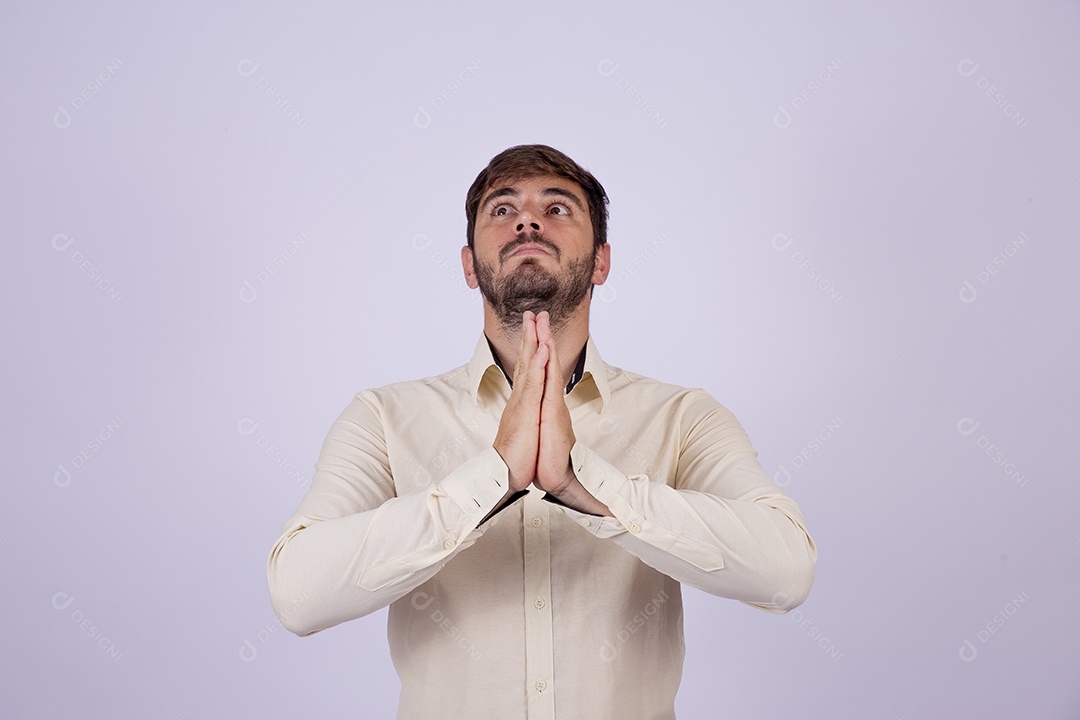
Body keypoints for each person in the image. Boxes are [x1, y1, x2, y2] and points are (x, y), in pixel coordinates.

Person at [267, 144, 816, 719]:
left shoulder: (683, 417)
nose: (528, 220)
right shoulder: (383, 417)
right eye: (502, 210)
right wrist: (493, 476)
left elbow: (785, 570)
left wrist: (584, 487)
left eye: (557, 208)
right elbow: (298, 594)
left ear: (602, 261)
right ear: (468, 263)